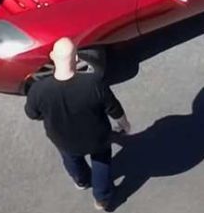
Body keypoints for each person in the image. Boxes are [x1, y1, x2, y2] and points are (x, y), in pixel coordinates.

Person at [25, 38, 131, 211]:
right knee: (101, 162)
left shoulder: (38, 90)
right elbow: (114, 108)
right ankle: (101, 198)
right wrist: (124, 125)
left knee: (71, 159)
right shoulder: (94, 83)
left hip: (63, 139)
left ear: (52, 56)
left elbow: (32, 114)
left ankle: (81, 180)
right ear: (76, 59)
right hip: (96, 138)